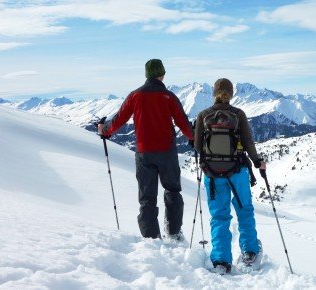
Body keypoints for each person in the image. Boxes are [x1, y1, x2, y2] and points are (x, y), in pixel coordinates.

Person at [98, 59, 194, 241]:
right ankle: (173, 232)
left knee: (147, 197)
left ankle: (151, 238)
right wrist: (194, 137)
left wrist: (104, 129)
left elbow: (118, 120)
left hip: (144, 153)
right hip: (167, 152)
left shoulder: (135, 96)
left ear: (146, 75)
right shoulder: (169, 96)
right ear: (162, 74)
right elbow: (185, 126)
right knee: (172, 190)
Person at [194, 78, 265, 274]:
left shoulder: (203, 115)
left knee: (219, 216)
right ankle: (250, 253)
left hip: (213, 174)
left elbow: (197, 146)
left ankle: (221, 260)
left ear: (214, 93)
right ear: (231, 94)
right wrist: (258, 162)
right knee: (244, 211)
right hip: (237, 171)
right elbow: (248, 143)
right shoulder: (238, 114)